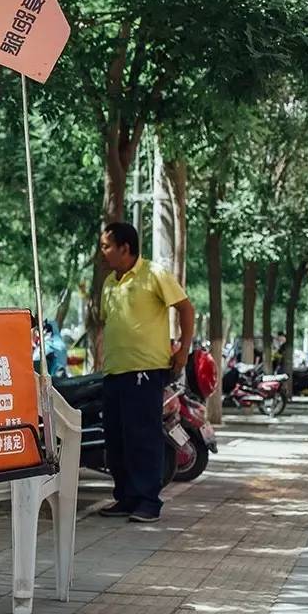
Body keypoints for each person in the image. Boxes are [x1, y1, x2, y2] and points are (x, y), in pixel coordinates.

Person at [96, 222, 195, 524]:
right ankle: (125, 497)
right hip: (115, 372)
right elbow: (107, 325)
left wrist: (183, 350)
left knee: (143, 437)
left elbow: (186, 308)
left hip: (146, 371)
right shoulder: (110, 283)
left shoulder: (154, 274)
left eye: (107, 246)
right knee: (116, 438)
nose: (103, 252)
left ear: (125, 247)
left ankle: (148, 501)